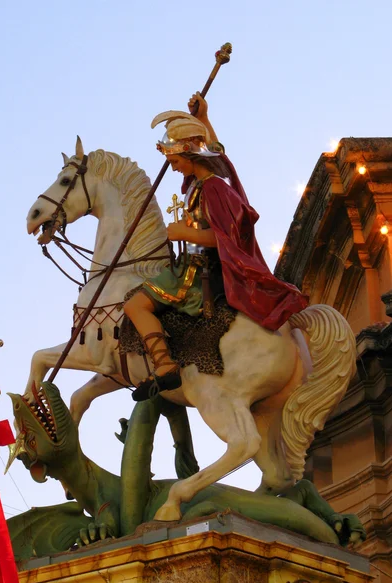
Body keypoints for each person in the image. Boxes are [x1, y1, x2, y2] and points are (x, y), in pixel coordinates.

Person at [124, 93, 308, 402]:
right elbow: (217, 152)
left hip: (197, 273)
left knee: (134, 305)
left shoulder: (213, 189)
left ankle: (165, 365)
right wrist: (204, 118)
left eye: (175, 160)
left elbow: (226, 238)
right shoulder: (202, 185)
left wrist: (184, 232)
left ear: (191, 156)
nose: (172, 168)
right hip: (190, 266)